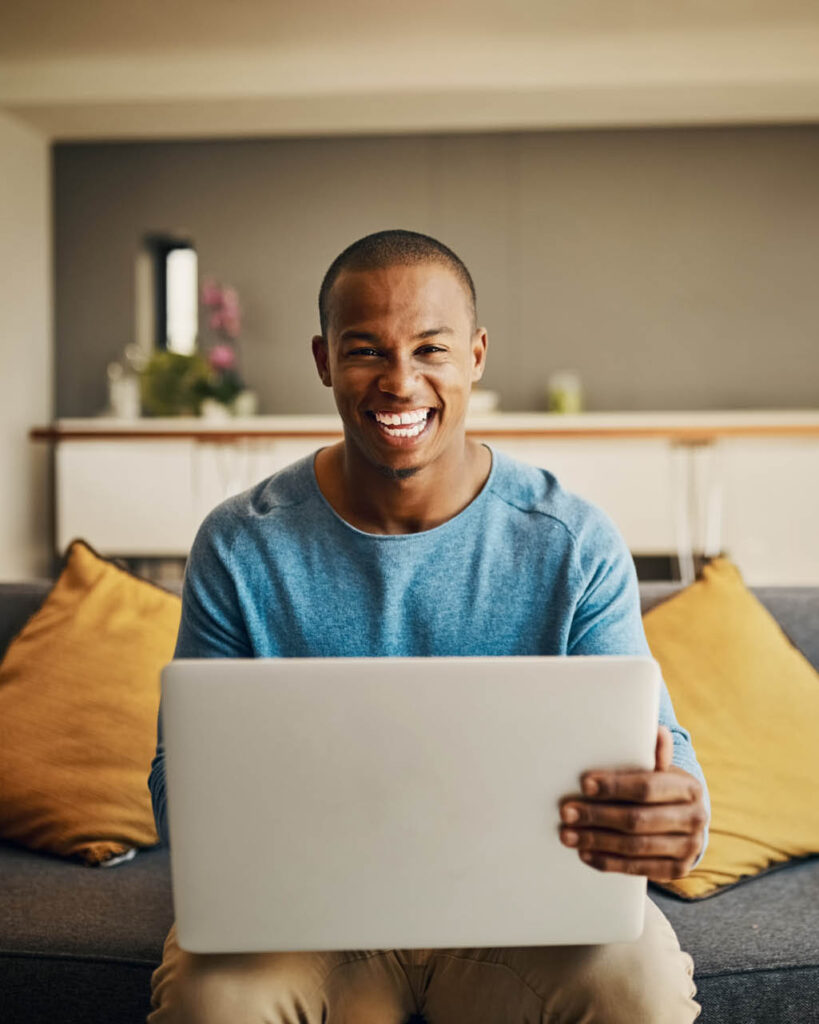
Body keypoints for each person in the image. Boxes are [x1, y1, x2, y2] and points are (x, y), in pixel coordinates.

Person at [147, 229, 709, 1023]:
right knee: (215, 1001)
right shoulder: (241, 544)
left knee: (638, 990)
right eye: (366, 350)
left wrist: (679, 810)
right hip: (302, 925)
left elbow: (660, 748)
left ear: (476, 355)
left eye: (430, 350)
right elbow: (178, 790)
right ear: (323, 361)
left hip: (523, 924)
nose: (399, 383)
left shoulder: (571, 540)